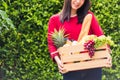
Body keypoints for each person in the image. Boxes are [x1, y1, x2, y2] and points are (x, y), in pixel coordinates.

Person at [47, 0, 109, 80]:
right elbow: (51, 44)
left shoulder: (89, 16)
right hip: (71, 67)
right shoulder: (55, 20)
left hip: (92, 66)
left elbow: (101, 36)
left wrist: (107, 54)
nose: (78, 1)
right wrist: (58, 61)